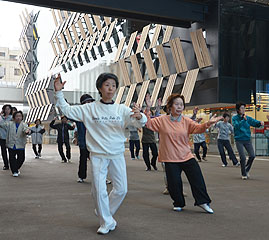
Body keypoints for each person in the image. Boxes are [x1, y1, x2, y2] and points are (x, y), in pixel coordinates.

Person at [54, 73, 146, 234]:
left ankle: (104, 211)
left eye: (113, 85)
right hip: (97, 155)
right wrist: (58, 93)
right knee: (98, 189)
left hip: (116, 154)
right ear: (99, 88)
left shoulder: (121, 109)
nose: (110, 88)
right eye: (107, 85)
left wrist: (140, 116)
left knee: (122, 189)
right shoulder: (89, 108)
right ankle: (106, 222)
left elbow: (138, 121)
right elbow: (67, 111)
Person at [144, 93, 222, 213]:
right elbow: (147, 123)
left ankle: (203, 202)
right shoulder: (162, 120)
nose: (179, 107)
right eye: (177, 104)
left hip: (186, 155)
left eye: (181, 104)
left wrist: (208, 124)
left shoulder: (186, 121)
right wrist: (148, 108)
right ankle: (178, 202)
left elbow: (198, 128)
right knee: (174, 183)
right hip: (170, 157)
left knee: (197, 178)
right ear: (170, 107)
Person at [232, 102, 264, 179]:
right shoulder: (234, 118)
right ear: (238, 110)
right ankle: (244, 174)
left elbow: (254, 122)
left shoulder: (247, 117)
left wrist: (260, 123)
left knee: (252, 155)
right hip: (239, 140)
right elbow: (236, 126)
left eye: (244, 108)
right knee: (242, 157)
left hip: (247, 139)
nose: (243, 110)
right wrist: (243, 120)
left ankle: (246, 169)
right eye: (242, 108)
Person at [0, 111, 31, 177]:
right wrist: (1, 116)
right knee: (12, 158)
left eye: (20, 116)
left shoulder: (24, 124)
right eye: (17, 116)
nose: (18, 118)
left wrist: (27, 132)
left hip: (20, 145)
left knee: (21, 159)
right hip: (11, 144)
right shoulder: (10, 124)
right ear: (14, 117)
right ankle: (14, 171)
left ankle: (16, 168)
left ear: (22, 117)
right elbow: (2, 124)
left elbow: (26, 130)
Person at [75, 94, 95, 183]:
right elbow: (68, 115)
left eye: (90, 101)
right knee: (83, 159)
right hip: (83, 141)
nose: (89, 103)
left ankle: (102, 177)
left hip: (95, 142)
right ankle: (81, 176)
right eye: (87, 102)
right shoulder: (79, 115)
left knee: (99, 161)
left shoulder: (95, 113)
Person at [0, 104, 12, 170]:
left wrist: (2, 125)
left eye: (8, 109)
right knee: (3, 152)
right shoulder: (1, 117)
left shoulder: (12, 118)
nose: (7, 110)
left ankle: (12, 163)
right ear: (3, 110)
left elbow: (9, 126)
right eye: (6, 109)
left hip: (10, 137)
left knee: (11, 152)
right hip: (2, 137)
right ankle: (6, 165)